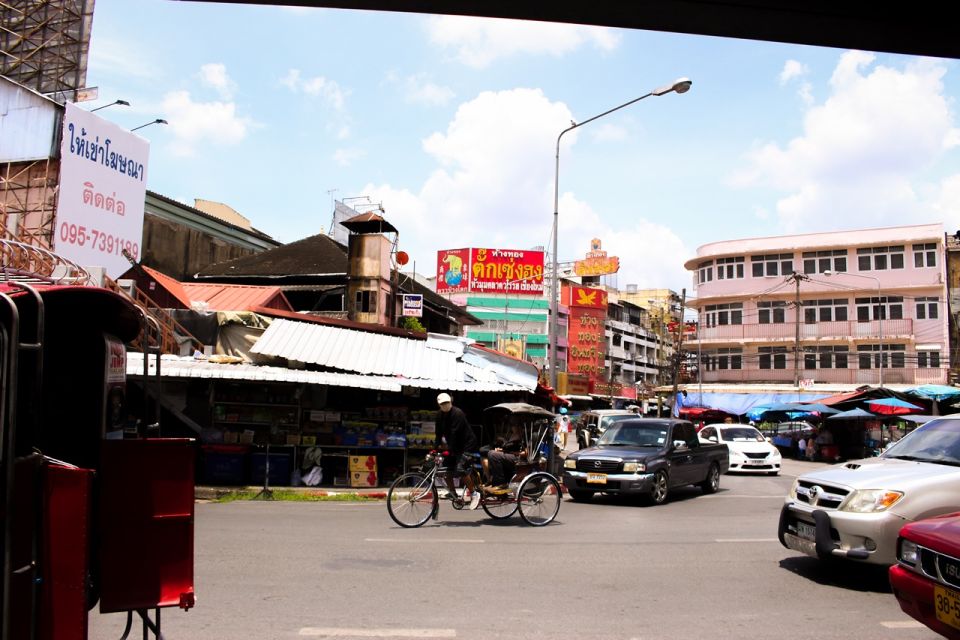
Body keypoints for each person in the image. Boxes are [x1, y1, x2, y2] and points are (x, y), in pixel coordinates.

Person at [435, 392, 481, 509]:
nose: (445, 405)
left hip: (466, 445)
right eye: (443, 404)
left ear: (450, 402)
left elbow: (455, 433)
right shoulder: (439, 416)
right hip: (453, 446)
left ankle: (474, 494)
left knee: (460, 469)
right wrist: (436, 448)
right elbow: (438, 433)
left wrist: (449, 449)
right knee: (446, 471)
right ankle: (453, 494)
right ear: (439, 405)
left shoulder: (457, 413)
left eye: (447, 402)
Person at [485, 423, 526, 491]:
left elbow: (525, 453)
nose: (513, 427)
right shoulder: (513, 435)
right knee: (490, 452)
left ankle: (501, 483)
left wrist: (509, 452)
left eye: (515, 425)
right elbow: (509, 448)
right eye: (512, 425)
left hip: (518, 458)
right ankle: (492, 481)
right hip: (510, 455)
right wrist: (501, 450)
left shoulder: (523, 435)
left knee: (493, 455)